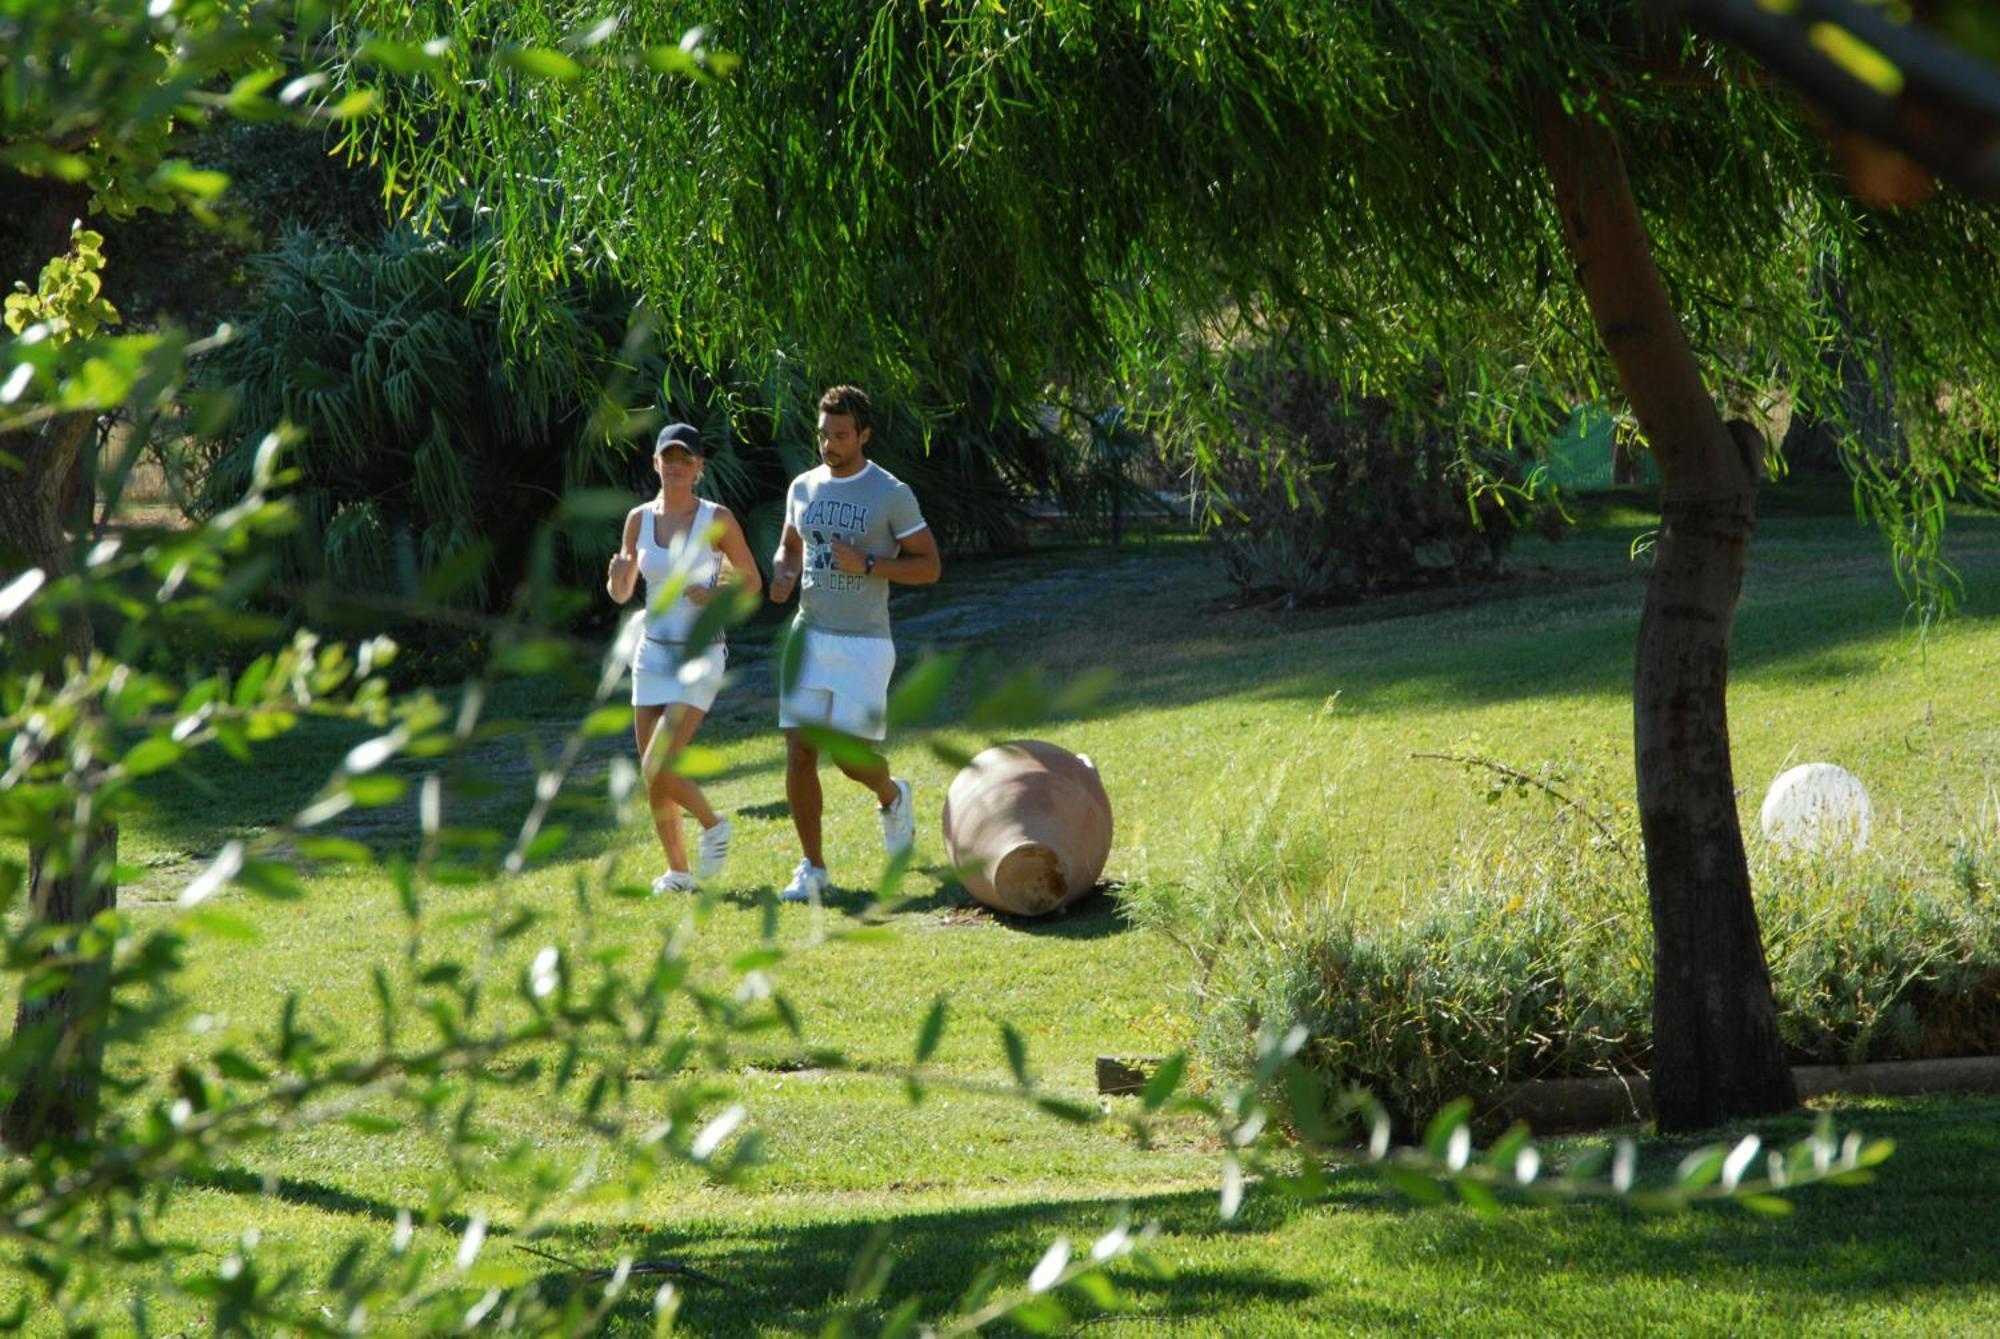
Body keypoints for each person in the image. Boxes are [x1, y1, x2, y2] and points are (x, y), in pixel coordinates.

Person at [766, 385, 941, 903]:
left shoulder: (890, 492)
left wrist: (867, 564)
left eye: (841, 436)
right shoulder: (803, 487)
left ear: (864, 434)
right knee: (799, 750)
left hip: (864, 641)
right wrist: (782, 572)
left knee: (849, 759)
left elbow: (928, 566)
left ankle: (893, 794)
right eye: (824, 434)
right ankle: (813, 868)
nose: (830, 445)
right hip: (808, 634)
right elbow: (788, 546)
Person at [606, 422, 761, 894]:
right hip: (651, 655)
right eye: (667, 457)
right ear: (655, 463)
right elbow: (622, 592)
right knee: (654, 776)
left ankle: (714, 825)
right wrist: (616, 578)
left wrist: (715, 589)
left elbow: (752, 580)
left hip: (701, 654)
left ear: (699, 468)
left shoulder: (717, 518)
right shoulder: (638, 518)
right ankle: (678, 874)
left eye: (685, 459)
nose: (675, 465)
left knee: (658, 765)